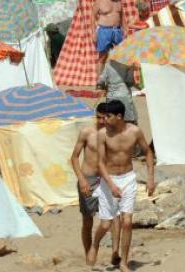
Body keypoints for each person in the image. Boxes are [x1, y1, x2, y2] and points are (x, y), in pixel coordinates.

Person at [90, 100, 155, 272]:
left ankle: (123, 262)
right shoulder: (102, 134)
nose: (104, 119)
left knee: (127, 222)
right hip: (108, 179)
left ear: (119, 116)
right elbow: (100, 163)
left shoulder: (135, 132)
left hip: (127, 178)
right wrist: (110, 185)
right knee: (105, 225)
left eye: (108, 116)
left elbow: (148, 152)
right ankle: (95, 244)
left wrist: (150, 178)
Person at [70, 103, 118, 265]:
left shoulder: (114, 135)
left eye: (105, 118)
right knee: (87, 220)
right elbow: (74, 157)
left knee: (113, 217)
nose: (101, 121)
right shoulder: (87, 133)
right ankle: (88, 255)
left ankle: (115, 254)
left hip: (106, 179)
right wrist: (82, 180)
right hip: (88, 179)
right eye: (98, 117)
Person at [94, 0, 125, 75]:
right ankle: (100, 80)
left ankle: (121, 76)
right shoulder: (100, 0)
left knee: (122, 53)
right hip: (104, 30)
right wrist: (93, 31)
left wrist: (125, 29)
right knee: (103, 56)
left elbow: (122, 16)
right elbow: (92, 16)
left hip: (117, 30)